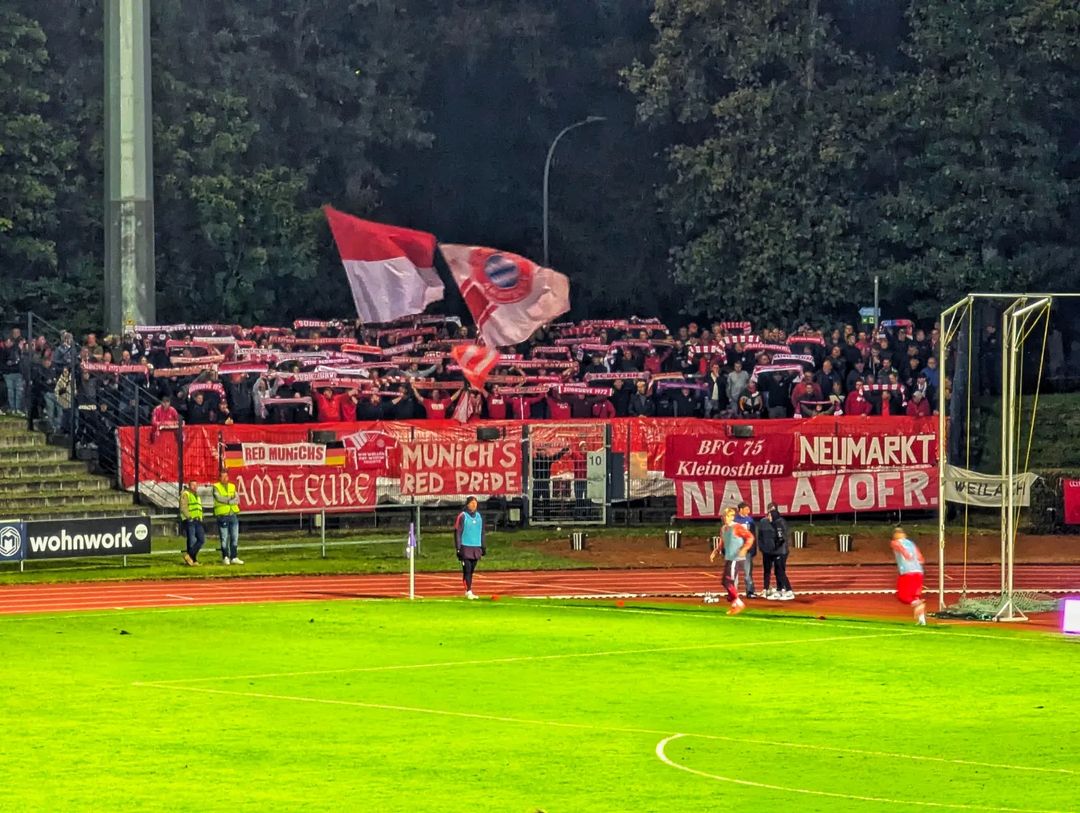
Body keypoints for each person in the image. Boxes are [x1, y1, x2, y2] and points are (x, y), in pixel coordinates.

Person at [708, 506, 755, 615]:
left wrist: (744, 548)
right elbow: (723, 541)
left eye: (727, 516)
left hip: (736, 557)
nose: (725, 518)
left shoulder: (737, 527)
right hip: (729, 557)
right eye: (723, 516)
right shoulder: (724, 529)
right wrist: (716, 551)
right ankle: (734, 602)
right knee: (725, 581)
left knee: (728, 580)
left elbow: (750, 537)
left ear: (732, 517)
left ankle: (738, 603)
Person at [891, 527, 927, 625]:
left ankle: (918, 604)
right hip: (919, 572)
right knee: (915, 596)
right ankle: (922, 620)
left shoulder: (895, 542)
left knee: (903, 596)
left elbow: (899, 547)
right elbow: (921, 558)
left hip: (907, 572)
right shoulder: (911, 543)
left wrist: (905, 554)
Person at [758, 504, 794, 600]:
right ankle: (780, 590)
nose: (768, 517)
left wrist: (774, 549)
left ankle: (789, 591)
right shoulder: (775, 523)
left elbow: (781, 538)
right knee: (777, 571)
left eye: (770, 515)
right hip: (778, 551)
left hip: (780, 552)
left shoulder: (778, 523)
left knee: (780, 571)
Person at [454, 496, 486, 599]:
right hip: (465, 547)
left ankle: (469, 589)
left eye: (475, 503)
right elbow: (457, 532)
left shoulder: (479, 517)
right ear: (467, 504)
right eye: (472, 503)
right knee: (467, 569)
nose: (474, 505)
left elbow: (482, 532)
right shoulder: (462, 516)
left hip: (476, 547)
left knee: (471, 570)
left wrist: (483, 546)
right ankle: (468, 591)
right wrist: (458, 548)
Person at [212, 470, 243, 565]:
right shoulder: (216, 486)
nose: (225, 478)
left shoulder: (232, 486)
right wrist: (230, 499)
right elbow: (219, 498)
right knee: (224, 538)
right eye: (223, 477)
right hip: (222, 515)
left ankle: (234, 557)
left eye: (226, 476)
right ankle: (225, 557)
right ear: (219, 478)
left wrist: (229, 501)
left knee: (234, 537)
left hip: (233, 514)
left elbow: (237, 499)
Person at [179, 480, 206, 566]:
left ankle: (189, 556)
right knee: (192, 540)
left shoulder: (196, 496)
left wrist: (200, 517)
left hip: (197, 520)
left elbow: (198, 507)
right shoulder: (186, 494)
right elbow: (183, 507)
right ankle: (193, 560)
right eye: (192, 485)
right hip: (190, 520)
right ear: (189, 486)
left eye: (196, 485)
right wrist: (189, 517)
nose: (195, 487)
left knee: (201, 539)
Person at [735, 502, 758, 597]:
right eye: (746, 509)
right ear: (740, 509)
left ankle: (750, 591)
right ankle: (733, 592)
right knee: (734, 572)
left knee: (747, 572)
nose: (748, 511)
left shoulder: (750, 520)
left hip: (746, 550)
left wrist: (753, 548)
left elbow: (753, 535)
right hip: (735, 550)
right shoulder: (734, 520)